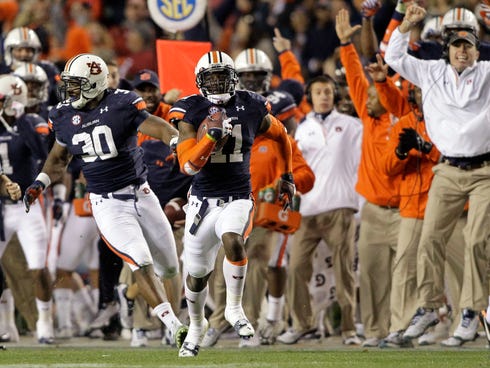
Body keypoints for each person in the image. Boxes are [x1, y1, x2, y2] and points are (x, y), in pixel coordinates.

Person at [22, 53, 188, 350]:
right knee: (140, 259)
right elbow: (59, 158)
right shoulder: (63, 115)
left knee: (170, 269)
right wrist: (40, 182)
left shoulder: (122, 103)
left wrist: (176, 142)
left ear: (94, 85)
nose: (69, 91)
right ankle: (174, 327)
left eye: (76, 84)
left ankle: (141, 300)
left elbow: (159, 127)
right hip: (107, 203)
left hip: (142, 193)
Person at [170, 50, 295, 357]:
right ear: (200, 81)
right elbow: (187, 166)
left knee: (233, 241)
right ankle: (197, 326)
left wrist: (287, 174)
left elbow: (282, 136)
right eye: (210, 78)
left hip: (238, 196)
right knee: (197, 274)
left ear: (233, 77)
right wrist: (210, 139)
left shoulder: (250, 104)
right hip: (201, 201)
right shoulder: (191, 109)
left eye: (222, 76)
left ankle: (234, 310)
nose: (217, 83)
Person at [384, 3, 490, 345]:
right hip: (447, 169)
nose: (463, 51)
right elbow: (393, 57)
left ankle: (472, 312)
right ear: (446, 48)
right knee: (429, 239)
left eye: (468, 45)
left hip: (486, 169)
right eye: (457, 45)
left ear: (478, 49)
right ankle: (429, 307)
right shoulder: (430, 72)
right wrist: (404, 22)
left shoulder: (488, 72)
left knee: (476, 241)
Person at [276, 72, 362, 346]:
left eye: (327, 91)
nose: (324, 96)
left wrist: (358, 203)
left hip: (340, 207)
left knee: (344, 270)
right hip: (308, 208)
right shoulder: (301, 128)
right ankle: (303, 324)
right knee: (297, 267)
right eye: (318, 92)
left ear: (334, 95)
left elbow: (363, 165)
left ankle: (349, 329)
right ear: (309, 98)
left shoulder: (351, 125)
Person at [335, 9, 402, 347]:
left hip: (407, 210)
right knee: (373, 276)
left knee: (407, 276)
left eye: (376, 94)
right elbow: (355, 79)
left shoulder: (404, 115)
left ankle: (403, 329)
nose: (368, 99)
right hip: (374, 209)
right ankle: (375, 332)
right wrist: (346, 44)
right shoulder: (370, 114)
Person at [0, 73, 54, 343]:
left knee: (37, 266)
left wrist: (23, 125)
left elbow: (46, 156)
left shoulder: (30, 122)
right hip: (0, 209)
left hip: (26, 206)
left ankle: (45, 323)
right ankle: (6, 325)